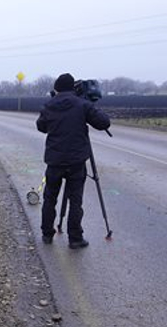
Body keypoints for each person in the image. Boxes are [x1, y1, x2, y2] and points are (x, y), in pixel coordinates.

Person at [36, 73, 110, 249]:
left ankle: (47, 234)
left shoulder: (49, 105)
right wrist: (90, 106)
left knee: (50, 198)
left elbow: (41, 126)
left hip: (54, 161)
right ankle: (75, 238)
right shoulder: (82, 104)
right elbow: (103, 123)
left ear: (57, 88)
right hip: (76, 162)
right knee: (75, 200)